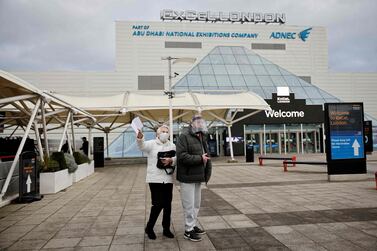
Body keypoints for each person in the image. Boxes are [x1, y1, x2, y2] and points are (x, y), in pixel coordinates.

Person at [136, 125, 176, 240]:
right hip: (155, 179)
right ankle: (149, 228)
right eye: (163, 131)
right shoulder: (151, 144)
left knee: (167, 205)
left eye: (167, 131)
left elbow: (176, 158)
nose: (165, 133)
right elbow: (142, 146)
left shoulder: (172, 145)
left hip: (168, 179)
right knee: (157, 204)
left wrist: (171, 160)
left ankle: (166, 229)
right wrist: (140, 138)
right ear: (157, 134)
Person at [176, 114, 212, 242]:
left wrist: (206, 172)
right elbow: (181, 156)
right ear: (192, 124)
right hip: (187, 176)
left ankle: (192, 225)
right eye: (197, 122)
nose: (200, 124)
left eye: (202, 122)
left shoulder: (202, 136)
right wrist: (199, 159)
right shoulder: (184, 136)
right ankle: (188, 231)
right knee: (189, 205)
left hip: (198, 176)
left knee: (196, 204)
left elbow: (206, 155)